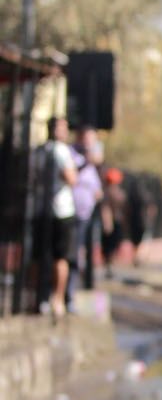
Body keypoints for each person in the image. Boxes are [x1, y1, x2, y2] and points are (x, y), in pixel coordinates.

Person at [31, 117, 78, 317]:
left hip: (41, 209)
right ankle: (57, 299)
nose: (66, 131)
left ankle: (39, 298)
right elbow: (71, 178)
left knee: (39, 255)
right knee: (61, 256)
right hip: (61, 210)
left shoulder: (37, 152)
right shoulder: (61, 151)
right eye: (64, 127)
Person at [70, 126, 104, 301]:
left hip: (87, 212)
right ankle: (68, 293)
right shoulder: (72, 154)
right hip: (70, 212)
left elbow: (96, 184)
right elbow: (72, 176)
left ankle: (74, 289)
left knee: (82, 250)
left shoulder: (93, 162)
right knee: (73, 252)